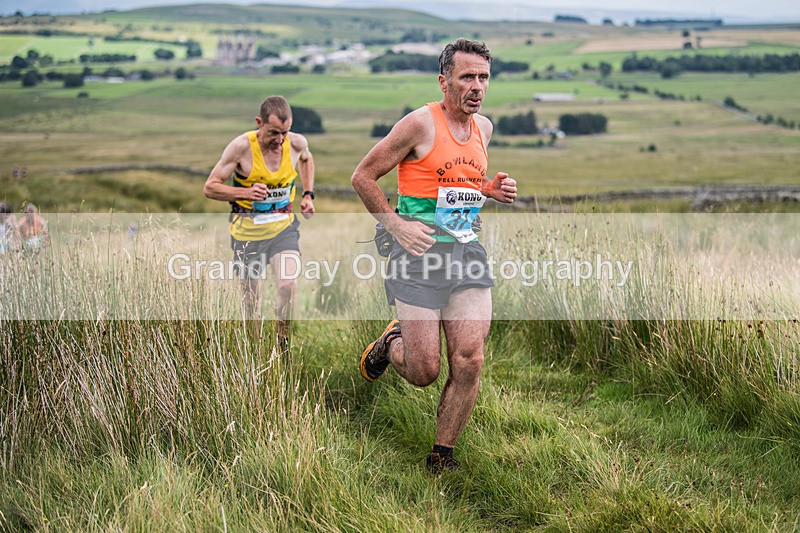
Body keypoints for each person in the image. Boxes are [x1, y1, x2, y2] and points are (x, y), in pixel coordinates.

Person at [351, 39, 517, 473]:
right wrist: (396, 224)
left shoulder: (485, 128)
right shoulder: (420, 124)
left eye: (483, 77)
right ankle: (391, 344)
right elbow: (363, 176)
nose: (477, 86)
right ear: (444, 82)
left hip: (466, 249)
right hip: (417, 253)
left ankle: (440, 459)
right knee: (424, 370)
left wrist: (487, 191)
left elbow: (454, 183)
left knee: (470, 358)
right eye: (467, 77)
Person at [203, 96, 316, 349]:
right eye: (273, 132)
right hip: (247, 234)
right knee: (251, 300)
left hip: (283, 228)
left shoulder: (296, 143)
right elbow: (210, 188)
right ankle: (253, 348)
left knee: (288, 284)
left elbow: (307, 159)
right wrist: (244, 193)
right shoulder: (241, 147)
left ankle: (282, 342)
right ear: (259, 123)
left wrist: (308, 195)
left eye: (284, 133)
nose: (279, 140)